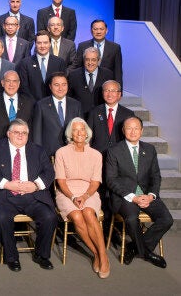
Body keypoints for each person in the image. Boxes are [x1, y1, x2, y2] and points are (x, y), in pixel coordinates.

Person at [0, 119, 56, 272]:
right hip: (6, 195)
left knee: (50, 216)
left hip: (33, 196)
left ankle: (42, 255)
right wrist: (7, 184)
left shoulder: (38, 150)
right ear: (9, 134)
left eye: (24, 133)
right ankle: (12, 257)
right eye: (16, 132)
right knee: (2, 218)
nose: (20, 136)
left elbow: (49, 172)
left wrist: (35, 185)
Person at [106, 116, 172, 268]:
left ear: (142, 131)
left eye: (136, 128)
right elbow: (111, 180)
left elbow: (156, 177)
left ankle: (134, 248)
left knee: (166, 219)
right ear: (123, 131)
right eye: (129, 128)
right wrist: (133, 198)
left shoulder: (150, 150)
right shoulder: (114, 151)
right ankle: (146, 253)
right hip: (125, 197)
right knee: (131, 219)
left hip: (146, 195)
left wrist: (151, 195)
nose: (133, 131)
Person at [54, 117, 110, 278]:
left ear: (87, 133)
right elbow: (61, 181)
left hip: (89, 192)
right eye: (75, 129)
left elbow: (95, 181)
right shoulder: (61, 153)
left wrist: (85, 196)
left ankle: (103, 256)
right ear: (70, 133)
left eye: (82, 129)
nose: (79, 133)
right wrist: (72, 197)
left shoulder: (96, 154)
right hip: (67, 193)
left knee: (88, 213)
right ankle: (98, 253)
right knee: (77, 216)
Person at [32, 72, 82, 156]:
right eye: (56, 85)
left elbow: (81, 130)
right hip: (49, 154)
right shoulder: (41, 105)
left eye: (64, 84)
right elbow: (37, 134)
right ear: (50, 87)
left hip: (72, 153)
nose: (60, 88)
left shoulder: (76, 105)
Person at [0, 70, 34, 145]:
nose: (11, 84)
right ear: (2, 83)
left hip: (22, 148)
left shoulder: (29, 103)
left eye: (14, 81)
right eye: (8, 81)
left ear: (19, 84)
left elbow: (31, 130)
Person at [16, 30, 67, 101]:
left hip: (53, 106)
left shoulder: (59, 62)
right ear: (35, 44)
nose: (42, 46)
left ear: (50, 44)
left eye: (45, 43)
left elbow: (62, 85)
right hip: (32, 106)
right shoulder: (25, 63)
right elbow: (24, 88)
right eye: (39, 43)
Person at [87, 80, 134, 153]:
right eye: (106, 90)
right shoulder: (94, 112)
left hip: (120, 155)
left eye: (113, 91)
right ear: (102, 93)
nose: (109, 94)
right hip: (98, 155)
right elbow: (88, 135)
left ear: (119, 94)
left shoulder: (128, 114)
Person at [68, 47, 114, 116]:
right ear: (84, 60)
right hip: (79, 116)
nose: (90, 63)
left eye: (93, 60)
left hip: (100, 116)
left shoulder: (108, 75)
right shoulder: (73, 75)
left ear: (98, 61)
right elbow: (69, 97)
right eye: (87, 60)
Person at [74, 20, 123, 84]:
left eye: (101, 29)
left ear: (106, 30)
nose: (98, 32)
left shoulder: (115, 48)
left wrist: (118, 91)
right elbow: (78, 67)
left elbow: (118, 72)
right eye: (95, 29)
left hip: (107, 86)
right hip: (87, 84)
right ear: (91, 31)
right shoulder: (82, 46)